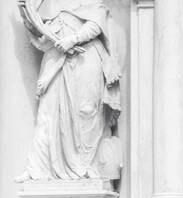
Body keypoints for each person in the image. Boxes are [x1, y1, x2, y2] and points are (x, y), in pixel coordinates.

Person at [17, 1, 123, 181]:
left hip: (85, 56)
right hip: (56, 59)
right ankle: (39, 168)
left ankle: (86, 166)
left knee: (86, 111)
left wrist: (73, 39)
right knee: (48, 112)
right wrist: (28, 16)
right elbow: (44, 37)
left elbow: (97, 21)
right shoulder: (51, 5)